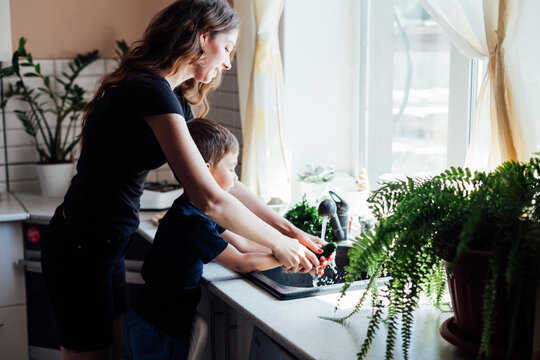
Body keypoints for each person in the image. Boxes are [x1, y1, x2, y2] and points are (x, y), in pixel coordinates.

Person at [40, 1, 330, 359]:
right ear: (202, 36)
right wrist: (280, 245)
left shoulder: (174, 100)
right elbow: (208, 198)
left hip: (107, 246)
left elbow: (226, 183)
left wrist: (289, 232)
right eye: (226, 48)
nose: (227, 62)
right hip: (79, 249)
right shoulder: (150, 90)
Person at [123, 118, 282, 359]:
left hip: (149, 320)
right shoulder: (191, 220)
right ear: (206, 171)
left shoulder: (194, 209)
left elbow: (245, 243)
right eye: (231, 168)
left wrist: (293, 246)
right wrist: (285, 258)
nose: (236, 178)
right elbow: (240, 261)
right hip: (158, 329)